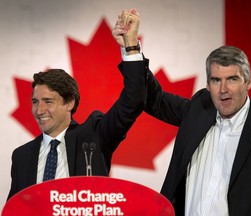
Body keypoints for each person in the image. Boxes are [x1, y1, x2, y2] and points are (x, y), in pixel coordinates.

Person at [113, 9, 251, 216]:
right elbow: (155, 100)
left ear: (249, 81)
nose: (223, 90)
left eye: (232, 79)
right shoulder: (199, 108)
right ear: (207, 84)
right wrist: (131, 48)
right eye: (216, 80)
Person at [7, 19, 148, 200]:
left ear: (69, 103)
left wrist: (131, 48)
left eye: (48, 101)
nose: (39, 110)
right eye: (35, 102)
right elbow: (14, 209)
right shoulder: (22, 156)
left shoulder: (94, 136)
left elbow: (133, 102)